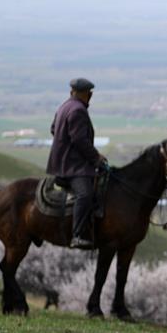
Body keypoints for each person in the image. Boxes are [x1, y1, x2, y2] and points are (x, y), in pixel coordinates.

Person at [46, 78, 107, 250]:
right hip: (72, 167)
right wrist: (97, 158)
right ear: (88, 94)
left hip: (63, 162)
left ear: (71, 92)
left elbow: (53, 129)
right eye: (90, 94)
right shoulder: (78, 110)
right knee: (85, 194)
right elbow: (80, 140)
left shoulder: (64, 107)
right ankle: (77, 235)